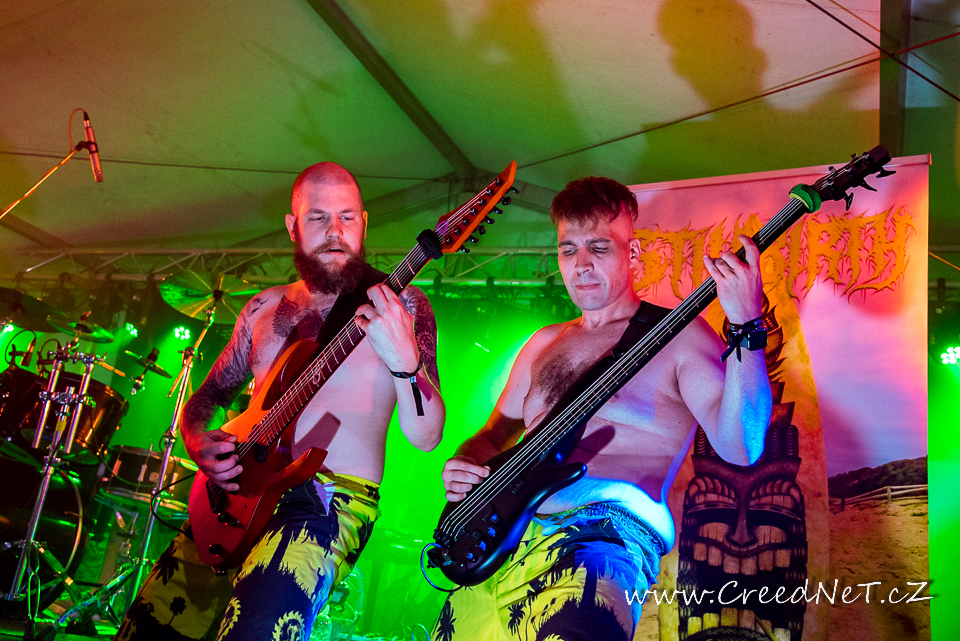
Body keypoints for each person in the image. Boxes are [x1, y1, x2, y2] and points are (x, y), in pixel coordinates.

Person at [116, 162, 445, 641]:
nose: (335, 232)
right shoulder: (262, 307)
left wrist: (405, 361)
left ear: (364, 223)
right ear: (293, 225)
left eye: (347, 217)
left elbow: (427, 436)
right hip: (233, 497)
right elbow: (209, 397)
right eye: (318, 218)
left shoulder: (401, 305)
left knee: (257, 629)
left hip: (327, 500)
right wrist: (197, 441)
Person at [432, 176, 771, 641]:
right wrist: (465, 463)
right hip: (505, 543)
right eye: (568, 250)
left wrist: (747, 325)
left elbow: (742, 445)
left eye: (599, 247)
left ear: (633, 253)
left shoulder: (680, 337)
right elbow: (493, 436)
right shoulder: (542, 343)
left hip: (602, 542)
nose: (582, 264)